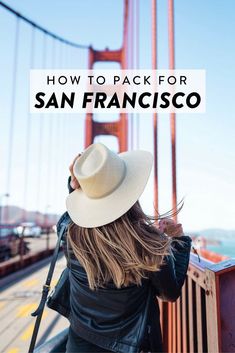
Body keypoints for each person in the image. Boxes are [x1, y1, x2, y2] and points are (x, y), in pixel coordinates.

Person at [57, 142, 192, 353]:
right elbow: (170, 293)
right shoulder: (148, 244)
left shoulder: (69, 234)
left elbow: (73, 218)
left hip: (79, 345)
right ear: (131, 191)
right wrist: (180, 241)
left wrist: (83, 185)